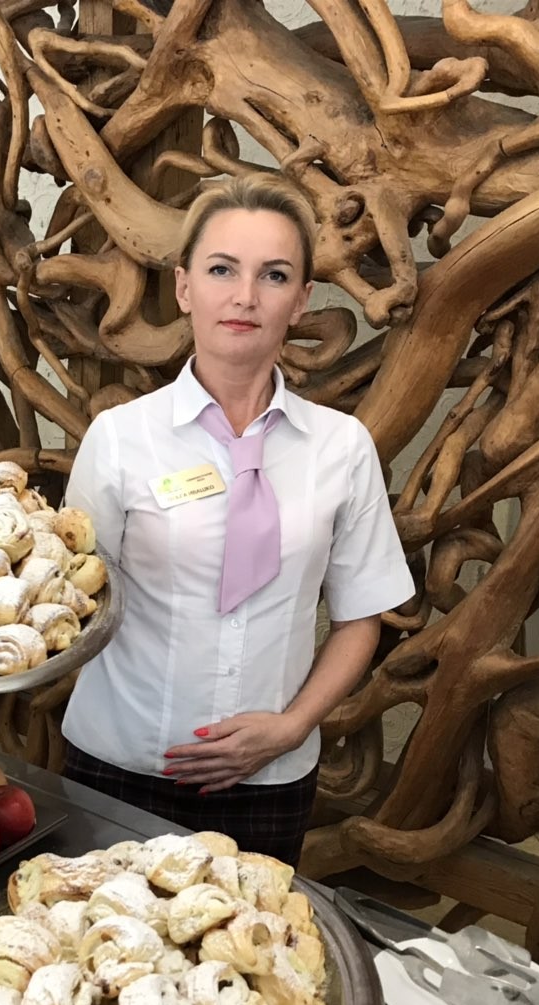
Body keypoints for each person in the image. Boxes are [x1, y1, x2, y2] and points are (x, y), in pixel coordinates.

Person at [61, 173, 414, 864]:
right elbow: (71, 600)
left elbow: (360, 618)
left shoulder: (341, 448)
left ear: (302, 299)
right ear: (184, 287)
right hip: (120, 763)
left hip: (269, 778)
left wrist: (291, 728)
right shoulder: (120, 438)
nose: (245, 296)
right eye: (222, 269)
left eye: (273, 275)